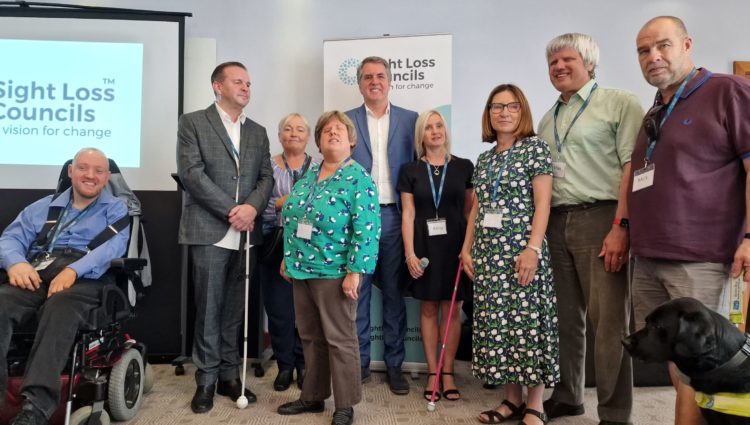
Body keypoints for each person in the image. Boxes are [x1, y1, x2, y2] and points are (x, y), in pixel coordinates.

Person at [629, 16, 750, 425]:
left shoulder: (727, 91)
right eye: (644, 51)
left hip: (701, 257)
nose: (653, 57)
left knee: (704, 364)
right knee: (678, 363)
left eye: (662, 45)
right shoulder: (657, 109)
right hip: (648, 255)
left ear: (687, 44)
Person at [537, 33, 644, 425]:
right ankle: (568, 395)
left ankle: (615, 412)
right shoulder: (549, 117)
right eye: (552, 63)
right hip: (557, 222)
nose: (559, 67)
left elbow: (634, 168)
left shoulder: (619, 104)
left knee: (610, 321)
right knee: (566, 318)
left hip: (603, 218)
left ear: (590, 64)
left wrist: (621, 224)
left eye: (567, 60)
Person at [0, 148, 129, 425]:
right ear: (70, 171)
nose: (90, 176)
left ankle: (36, 407)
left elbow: (111, 247)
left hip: (87, 276)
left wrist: (73, 270)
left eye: (98, 171)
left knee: (60, 307)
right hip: (38, 268)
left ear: (107, 177)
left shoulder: (116, 209)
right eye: (83, 168)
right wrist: (15, 264)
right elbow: (9, 239)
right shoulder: (42, 207)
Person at [176, 61, 273, 413]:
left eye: (248, 82)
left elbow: (266, 178)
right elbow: (192, 174)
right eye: (238, 82)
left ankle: (230, 375)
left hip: (246, 233)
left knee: (235, 309)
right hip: (210, 229)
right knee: (209, 309)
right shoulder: (193, 122)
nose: (246, 87)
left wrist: (250, 209)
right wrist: (233, 210)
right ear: (218, 86)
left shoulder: (258, 131)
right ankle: (205, 379)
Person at [460, 84, 557, 425]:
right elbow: (477, 209)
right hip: (488, 254)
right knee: (499, 325)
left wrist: (532, 249)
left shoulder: (536, 149)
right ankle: (511, 400)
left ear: (522, 111)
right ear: (488, 114)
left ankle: (535, 404)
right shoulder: (485, 159)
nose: (504, 112)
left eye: (512, 106)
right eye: (496, 107)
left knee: (527, 323)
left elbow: (544, 203)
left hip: (521, 250)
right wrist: (466, 248)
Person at [276, 111, 381, 425]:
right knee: (310, 336)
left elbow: (367, 229)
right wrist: (287, 256)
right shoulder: (310, 174)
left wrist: (355, 271)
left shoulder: (359, 178)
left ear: (351, 140)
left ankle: (345, 404)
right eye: (326, 131)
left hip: (335, 271)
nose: (333, 133)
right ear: (319, 143)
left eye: (340, 130)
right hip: (300, 268)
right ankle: (312, 397)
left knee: (340, 338)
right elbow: (294, 217)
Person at [346, 56, 418, 394]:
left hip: (394, 215)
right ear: (359, 83)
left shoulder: (410, 120)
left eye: (380, 76)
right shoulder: (345, 121)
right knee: (356, 294)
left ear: (390, 81)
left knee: (393, 294)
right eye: (367, 77)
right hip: (356, 218)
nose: (374, 81)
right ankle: (358, 365)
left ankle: (394, 367)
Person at [398, 110, 473, 402]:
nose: (435, 131)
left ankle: (448, 373)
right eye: (428, 127)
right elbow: (408, 214)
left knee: (452, 310)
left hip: (456, 248)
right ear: (421, 135)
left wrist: (469, 249)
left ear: (446, 130)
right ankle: (432, 371)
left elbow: (470, 212)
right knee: (428, 309)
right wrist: (409, 254)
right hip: (424, 248)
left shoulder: (465, 167)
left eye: (439, 125)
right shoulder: (410, 170)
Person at [259, 113, 320, 391]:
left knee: (306, 309)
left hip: (311, 246)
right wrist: (287, 202)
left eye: (299, 129)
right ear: (280, 135)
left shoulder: (320, 167)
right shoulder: (267, 167)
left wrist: (288, 203)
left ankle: (304, 364)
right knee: (279, 309)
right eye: (287, 129)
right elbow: (261, 205)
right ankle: (284, 366)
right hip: (276, 242)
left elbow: (322, 207)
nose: (293, 133)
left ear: (308, 136)